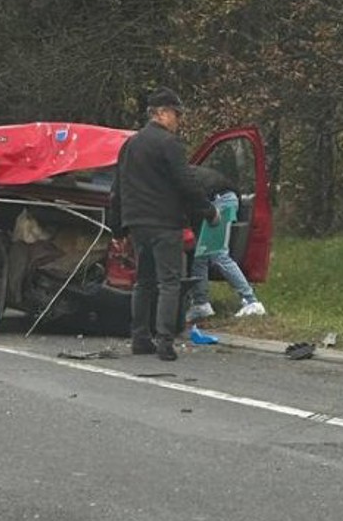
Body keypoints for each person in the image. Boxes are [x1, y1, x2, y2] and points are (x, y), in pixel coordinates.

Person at [109, 87, 217, 361]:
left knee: (143, 282)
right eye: (176, 115)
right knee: (169, 282)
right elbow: (185, 181)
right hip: (164, 222)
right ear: (163, 113)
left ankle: (140, 338)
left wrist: (117, 228)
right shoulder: (169, 144)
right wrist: (207, 210)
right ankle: (165, 342)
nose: (178, 121)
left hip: (136, 224)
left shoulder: (130, 145)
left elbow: (117, 188)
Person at [185, 165, 266, 320]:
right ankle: (201, 304)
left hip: (220, 202)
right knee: (200, 255)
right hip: (221, 198)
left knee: (218, 254)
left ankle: (251, 302)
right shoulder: (185, 172)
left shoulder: (178, 178)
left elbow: (193, 202)